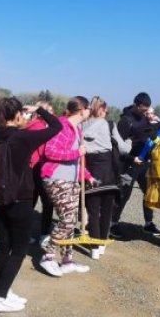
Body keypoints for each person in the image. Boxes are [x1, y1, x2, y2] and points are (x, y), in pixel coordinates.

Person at [0, 98, 61, 312]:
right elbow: (57, 126)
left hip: (0, 198)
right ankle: (0, 298)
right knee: (18, 249)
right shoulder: (24, 137)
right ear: (19, 115)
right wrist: (39, 110)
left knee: (3, 245)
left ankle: (2, 290)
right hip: (21, 197)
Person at [39, 96, 95, 277]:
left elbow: (79, 161)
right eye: (88, 109)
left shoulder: (77, 129)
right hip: (56, 179)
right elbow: (50, 151)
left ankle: (67, 260)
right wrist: (75, 152)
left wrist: (87, 176)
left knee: (71, 222)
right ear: (82, 110)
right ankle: (48, 255)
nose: (90, 112)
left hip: (71, 180)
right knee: (67, 220)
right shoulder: (62, 126)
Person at [81, 97, 126, 259]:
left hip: (89, 170)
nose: (106, 113)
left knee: (93, 211)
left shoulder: (81, 125)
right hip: (108, 171)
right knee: (106, 210)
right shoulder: (109, 124)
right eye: (105, 110)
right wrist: (130, 142)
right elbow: (123, 149)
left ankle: (93, 248)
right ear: (101, 109)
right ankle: (101, 244)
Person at [113, 92, 160, 238]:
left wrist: (153, 122)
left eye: (148, 108)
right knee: (124, 194)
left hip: (144, 162)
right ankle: (112, 223)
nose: (146, 111)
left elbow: (150, 135)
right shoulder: (125, 121)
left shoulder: (145, 117)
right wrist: (130, 159)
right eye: (144, 108)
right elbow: (117, 146)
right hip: (129, 163)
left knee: (148, 192)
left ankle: (148, 224)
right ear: (137, 105)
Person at [27, 101, 56, 245]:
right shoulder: (36, 126)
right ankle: (41, 234)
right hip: (37, 167)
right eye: (48, 111)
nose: (51, 113)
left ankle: (42, 233)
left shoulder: (43, 125)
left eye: (52, 110)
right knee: (42, 201)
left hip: (40, 166)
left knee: (41, 202)